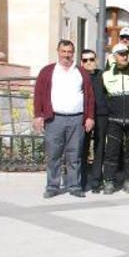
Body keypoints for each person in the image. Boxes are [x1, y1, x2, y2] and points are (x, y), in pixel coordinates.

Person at [33, 40, 95, 198]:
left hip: (77, 119)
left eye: (69, 52)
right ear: (58, 51)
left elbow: (90, 97)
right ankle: (52, 186)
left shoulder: (81, 72)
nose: (66, 55)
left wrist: (89, 117)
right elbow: (39, 94)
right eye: (63, 51)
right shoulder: (48, 71)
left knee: (75, 155)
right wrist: (38, 115)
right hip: (54, 119)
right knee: (54, 154)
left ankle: (74, 186)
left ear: (73, 53)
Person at [102, 43, 129, 194]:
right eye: (120, 54)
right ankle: (109, 181)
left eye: (126, 53)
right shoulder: (106, 75)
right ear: (114, 57)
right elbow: (103, 97)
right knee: (111, 153)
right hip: (114, 121)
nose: (124, 56)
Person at [78, 49, 107, 193]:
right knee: (83, 147)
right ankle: (82, 180)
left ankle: (96, 181)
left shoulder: (102, 75)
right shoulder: (78, 76)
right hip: (84, 116)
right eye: (85, 60)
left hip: (101, 115)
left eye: (91, 59)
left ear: (96, 60)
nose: (89, 63)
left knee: (99, 148)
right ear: (81, 62)